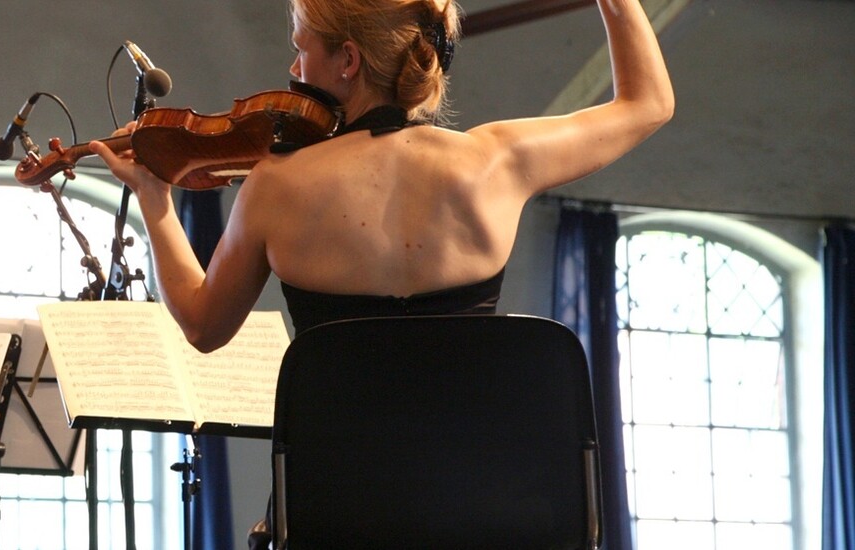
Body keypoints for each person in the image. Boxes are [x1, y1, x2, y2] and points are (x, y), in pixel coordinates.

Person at [89, 0, 673, 346]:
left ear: (347, 60)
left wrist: (155, 196)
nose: (293, 67)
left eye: (302, 48)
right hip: (468, 505)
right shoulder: (498, 160)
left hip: (332, 505)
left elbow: (202, 326)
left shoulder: (276, 185)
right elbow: (647, 104)